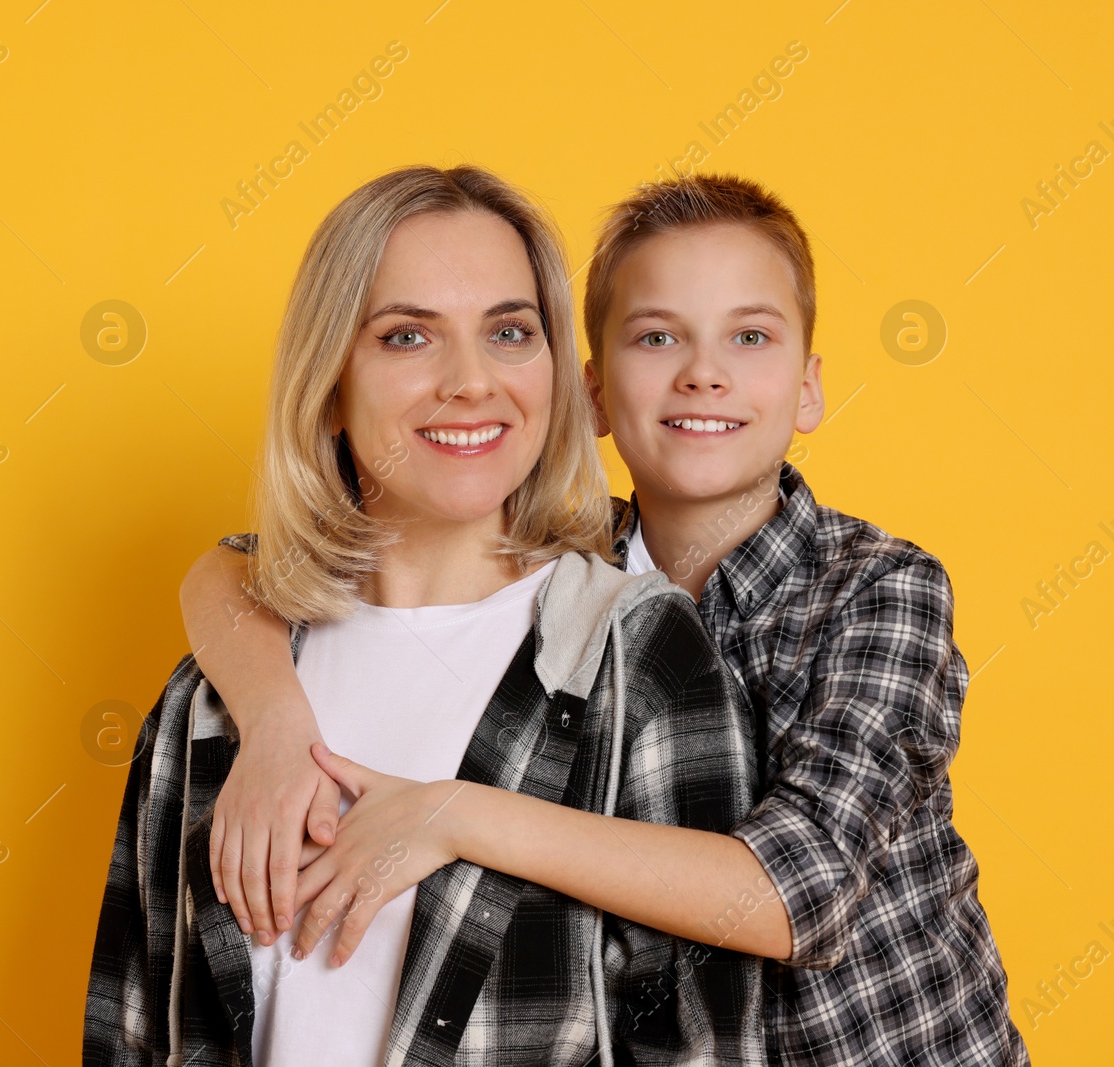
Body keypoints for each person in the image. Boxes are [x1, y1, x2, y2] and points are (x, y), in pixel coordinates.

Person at [181, 173, 1028, 1064]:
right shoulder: (575, 574)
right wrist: (274, 719)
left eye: (750, 336)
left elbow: (796, 893)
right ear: (587, 394)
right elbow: (235, 567)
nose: (704, 371)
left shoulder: (877, 590)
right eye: (658, 337)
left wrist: (457, 815)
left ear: (810, 389)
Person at [85, 165, 767, 1067]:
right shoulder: (219, 695)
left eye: (510, 333)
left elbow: (703, 1041)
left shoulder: (636, 657)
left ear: (559, 373)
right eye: (407, 336)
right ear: (330, 379)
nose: (471, 382)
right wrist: (276, 723)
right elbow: (134, 1020)